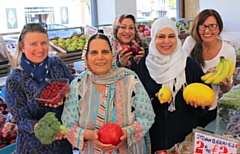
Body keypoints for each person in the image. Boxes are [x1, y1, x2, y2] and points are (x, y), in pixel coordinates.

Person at [61, 33, 155, 154]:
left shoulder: (130, 80)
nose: (100, 57)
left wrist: (125, 133)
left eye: (105, 52)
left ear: (113, 55)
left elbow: (147, 117)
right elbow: (68, 125)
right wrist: (90, 135)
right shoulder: (78, 86)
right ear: (86, 56)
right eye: (94, 52)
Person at [135, 18, 209, 153]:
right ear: (153, 38)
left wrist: (199, 106)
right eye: (161, 36)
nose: (166, 41)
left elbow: (204, 106)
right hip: (152, 140)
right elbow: (136, 105)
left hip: (184, 142)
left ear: (177, 38)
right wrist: (155, 101)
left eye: (171, 36)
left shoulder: (189, 65)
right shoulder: (144, 66)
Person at [4, 23, 74, 154]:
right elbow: (21, 119)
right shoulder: (14, 80)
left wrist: (66, 96)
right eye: (33, 44)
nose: (40, 49)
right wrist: (45, 129)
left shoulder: (57, 64)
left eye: (43, 43)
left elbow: (74, 89)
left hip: (63, 145)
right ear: (22, 47)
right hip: (33, 147)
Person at [182, 9, 236, 127]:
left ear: (219, 28)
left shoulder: (228, 51)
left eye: (212, 26)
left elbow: (226, 89)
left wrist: (224, 83)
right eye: (203, 26)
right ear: (197, 28)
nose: (207, 31)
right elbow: (180, 72)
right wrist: (203, 75)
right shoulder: (190, 43)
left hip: (208, 107)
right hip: (186, 104)